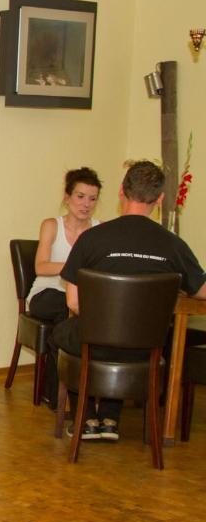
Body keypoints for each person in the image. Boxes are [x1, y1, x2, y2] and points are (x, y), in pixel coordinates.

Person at [50, 160, 206, 442]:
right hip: (146, 349)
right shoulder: (173, 245)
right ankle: (111, 419)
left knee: (61, 333)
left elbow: (73, 302)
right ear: (159, 199)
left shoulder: (91, 239)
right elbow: (201, 289)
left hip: (94, 344)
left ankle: (86, 418)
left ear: (121, 192)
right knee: (131, 338)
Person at [27, 167, 103, 326]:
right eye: (80, 196)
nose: (86, 204)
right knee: (68, 306)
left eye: (92, 199)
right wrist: (75, 267)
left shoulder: (100, 229)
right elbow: (41, 267)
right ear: (67, 197)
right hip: (48, 293)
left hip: (82, 296)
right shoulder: (51, 225)